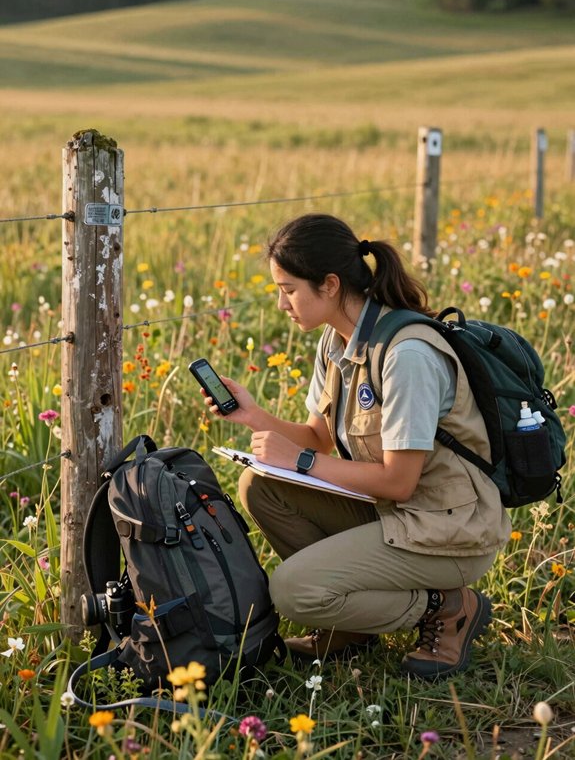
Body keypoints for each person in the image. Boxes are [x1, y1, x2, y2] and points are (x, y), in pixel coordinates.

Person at [201, 213, 511, 679]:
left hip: (446, 530)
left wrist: (301, 461)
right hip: (395, 514)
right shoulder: (336, 340)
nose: (282, 303)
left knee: (293, 592)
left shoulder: (406, 355)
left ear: (328, 284)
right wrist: (252, 416)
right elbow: (316, 438)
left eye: (288, 289)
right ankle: (350, 625)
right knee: (261, 486)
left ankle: (448, 607)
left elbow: (398, 482)